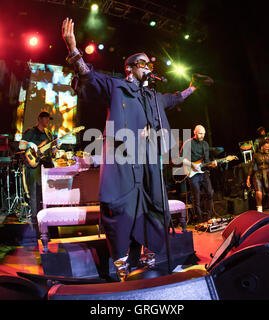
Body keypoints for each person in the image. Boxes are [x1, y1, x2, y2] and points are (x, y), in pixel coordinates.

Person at [62, 18, 204, 280]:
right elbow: (88, 76)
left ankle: (152, 257)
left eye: (150, 64)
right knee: (120, 207)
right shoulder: (116, 86)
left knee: (153, 203)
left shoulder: (153, 96)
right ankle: (121, 263)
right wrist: (73, 49)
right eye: (142, 64)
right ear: (129, 69)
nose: (148, 67)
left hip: (148, 158)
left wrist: (193, 87)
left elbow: (175, 98)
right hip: (122, 158)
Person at [19, 111, 55, 239]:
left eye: (48, 119)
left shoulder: (49, 134)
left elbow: (51, 151)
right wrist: (32, 145)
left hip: (46, 168)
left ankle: (47, 230)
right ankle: (36, 231)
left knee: (46, 199)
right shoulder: (31, 132)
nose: (47, 121)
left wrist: (55, 148)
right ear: (39, 119)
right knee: (35, 198)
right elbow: (21, 145)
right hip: (34, 169)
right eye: (45, 119)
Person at [180, 125, 216, 222]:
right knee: (197, 197)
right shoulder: (188, 143)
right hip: (192, 172)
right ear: (195, 132)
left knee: (210, 193)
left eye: (203, 134)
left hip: (203, 172)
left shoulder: (205, 144)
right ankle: (199, 219)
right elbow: (181, 159)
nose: (202, 136)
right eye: (200, 133)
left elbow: (207, 161)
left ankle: (208, 217)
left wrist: (211, 164)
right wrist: (192, 164)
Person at [246, 138, 269, 212]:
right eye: (266, 147)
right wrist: (248, 178)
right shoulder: (256, 155)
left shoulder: (268, 155)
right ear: (261, 146)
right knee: (258, 192)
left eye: (268, 147)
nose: (267, 148)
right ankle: (259, 208)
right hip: (259, 174)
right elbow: (251, 167)